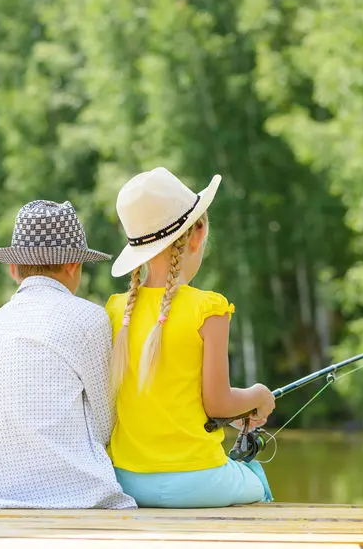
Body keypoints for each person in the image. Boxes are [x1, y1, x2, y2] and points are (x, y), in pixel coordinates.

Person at [0, 200, 136, 509]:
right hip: (74, 489)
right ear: (73, 265)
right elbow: (105, 422)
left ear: (14, 269)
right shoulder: (89, 319)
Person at [106, 167, 277, 508]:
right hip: (198, 480)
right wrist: (258, 395)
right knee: (256, 477)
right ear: (197, 234)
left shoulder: (115, 311)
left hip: (125, 479)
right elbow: (218, 404)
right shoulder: (208, 309)